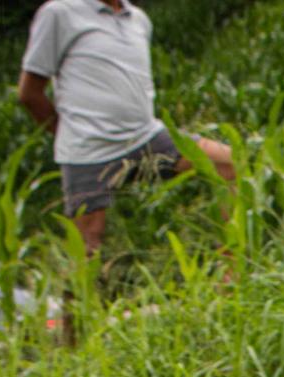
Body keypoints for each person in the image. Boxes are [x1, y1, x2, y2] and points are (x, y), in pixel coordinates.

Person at [16, 0, 236, 254]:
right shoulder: (60, 13)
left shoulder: (138, 20)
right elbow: (29, 94)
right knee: (86, 251)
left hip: (146, 138)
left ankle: (230, 274)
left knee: (230, 164)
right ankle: (80, 293)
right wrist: (65, 133)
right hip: (88, 151)